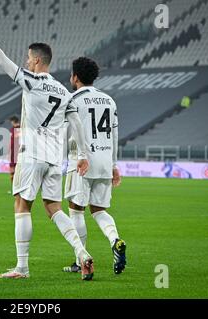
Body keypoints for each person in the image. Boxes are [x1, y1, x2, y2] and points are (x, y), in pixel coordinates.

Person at [0, 18, 94, 280]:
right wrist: (83, 155)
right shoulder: (64, 92)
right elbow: (77, 125)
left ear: (38, 61)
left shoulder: (31, 80)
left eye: (29, 58)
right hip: (55, 158)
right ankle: (81, 252)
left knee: (22, 205)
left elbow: (0, 58)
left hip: (32, 153)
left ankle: (22, 267)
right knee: (54, 207)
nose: (27, 62)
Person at [63, 57, 126, 275]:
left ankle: (81, 259)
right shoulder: (109, 100)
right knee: (99, 209)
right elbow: (115, 135)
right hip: (105, 161)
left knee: (76, 209)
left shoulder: (73, 100)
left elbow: (66, 133)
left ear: (76, 77)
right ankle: (115, 240)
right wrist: (114, 165)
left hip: (82, 161)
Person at [8, 116, 21, 183]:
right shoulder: (23, 128)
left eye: (11, 122)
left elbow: (11, 142)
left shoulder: (13, 129)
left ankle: (14, 185)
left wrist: (9, 151)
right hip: (22, 151)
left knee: (12, 168)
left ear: (13, 121)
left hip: (14, 151)